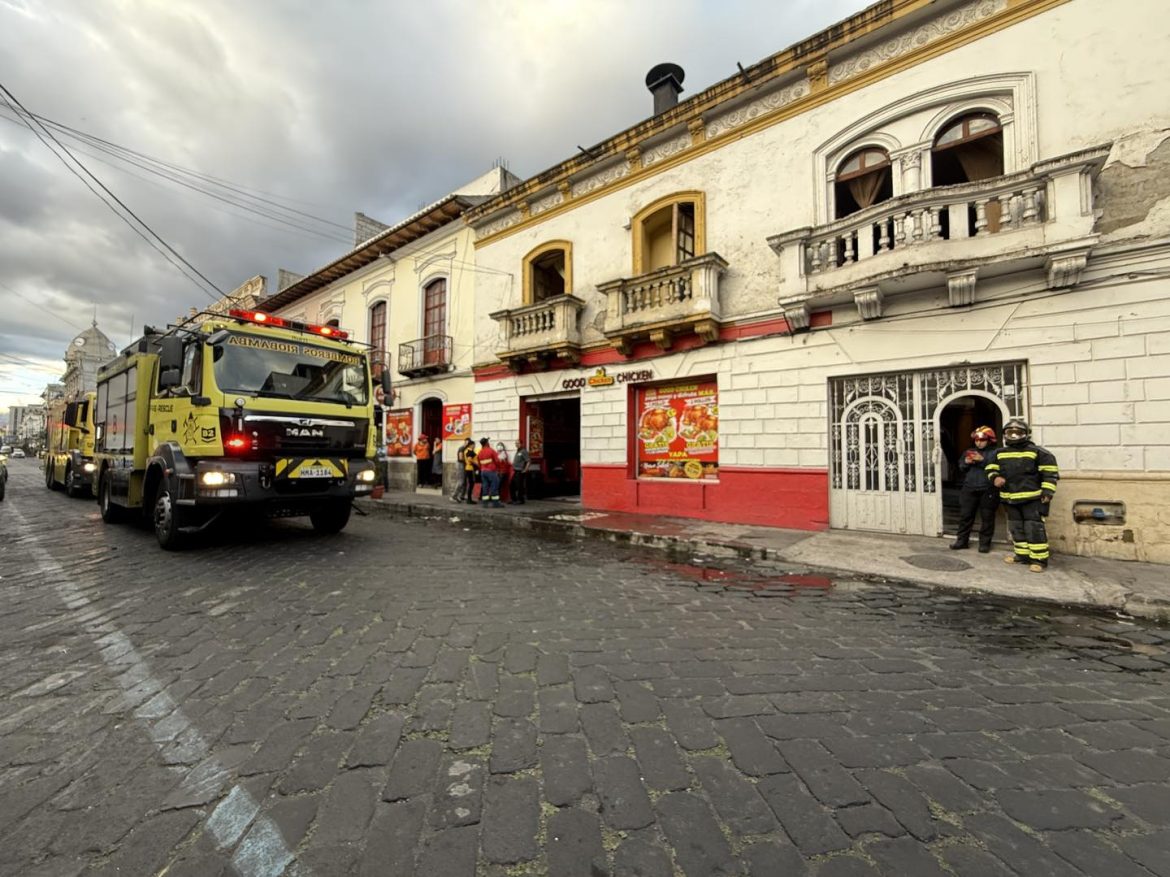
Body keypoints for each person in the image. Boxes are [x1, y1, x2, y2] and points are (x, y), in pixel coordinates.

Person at [985, 418, 1060, 572]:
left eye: (1017, 433)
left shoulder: (1038, 452)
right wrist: (995, 477)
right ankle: (1022, 555)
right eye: (1009, 433)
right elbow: (990, 469)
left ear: (1025, 434)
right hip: (1009, 498)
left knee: (1033, 528)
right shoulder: (998, 453)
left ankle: (1039, 560)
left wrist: (1047, 492)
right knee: (1016, 528)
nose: (1013, 436)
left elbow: (1050, 473)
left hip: (1032, 498)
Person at [949, 426, 999, 553]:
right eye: (976, 440)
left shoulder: (996, 453)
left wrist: (982, 460)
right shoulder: (969, 451)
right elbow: (961, 467)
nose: (979, 442)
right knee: (965, 516)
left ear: (989, 440)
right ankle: (962, 541)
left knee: (987, 517)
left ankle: (984, 544)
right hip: (969, 488)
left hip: (988, 489)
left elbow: (998, 468)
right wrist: (966, 462)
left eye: (982, 440)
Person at [476, 437, 501, 508]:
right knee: (494, 486)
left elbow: (479, 463)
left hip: (483, 472)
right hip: (491, 472)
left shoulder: (480, 452)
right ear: (487, 443)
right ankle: (496, 503)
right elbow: (497, 461)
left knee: (485, 487)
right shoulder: (491, 451)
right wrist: (498, 469)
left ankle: (485, 503)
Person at [452, 438, 475, 502]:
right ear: (465, 442)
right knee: (460, 481)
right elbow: (460, 458)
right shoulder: (462, 448)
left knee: (464, 481)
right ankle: (454, 496)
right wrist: (468, 460)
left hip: (465, 466)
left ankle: (461, 496)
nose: (467, 444)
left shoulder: (467, 449)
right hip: (460, 465)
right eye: (467, 442)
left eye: (469, 443)